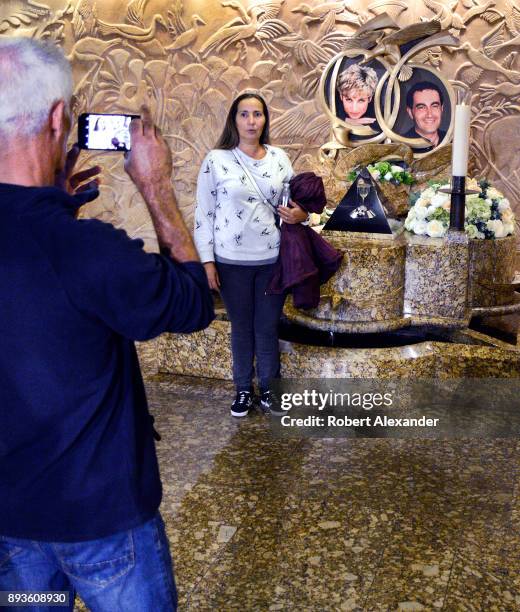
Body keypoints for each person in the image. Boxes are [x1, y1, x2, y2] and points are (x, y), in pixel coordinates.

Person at [0, 37, 214, 611]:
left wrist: (49, 201)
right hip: (103, 523)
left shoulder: (65, 239)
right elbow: (193, 302)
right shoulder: (88, 251)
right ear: (56, 117)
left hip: (9, 524)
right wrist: (157, 186)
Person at [194, 92, 307, 417]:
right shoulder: (217, 160)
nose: (251, 121)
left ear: (265, 120)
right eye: (244, 114)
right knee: (241, 327)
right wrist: (207, 260)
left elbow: (296, 203)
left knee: (267, 327)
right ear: (234, 120)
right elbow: (204, 212)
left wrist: (301, 215)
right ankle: (243, 389)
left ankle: (270, 390)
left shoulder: (279, 158)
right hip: (231, 262)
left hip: (272, 259)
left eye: (257, 114)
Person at [405, 81, 446, 149]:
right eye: (421, 107)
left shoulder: (454, 142)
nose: (429, 114)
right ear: (410, 112)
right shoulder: (401, 146)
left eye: (434, 106)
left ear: (441, 109)